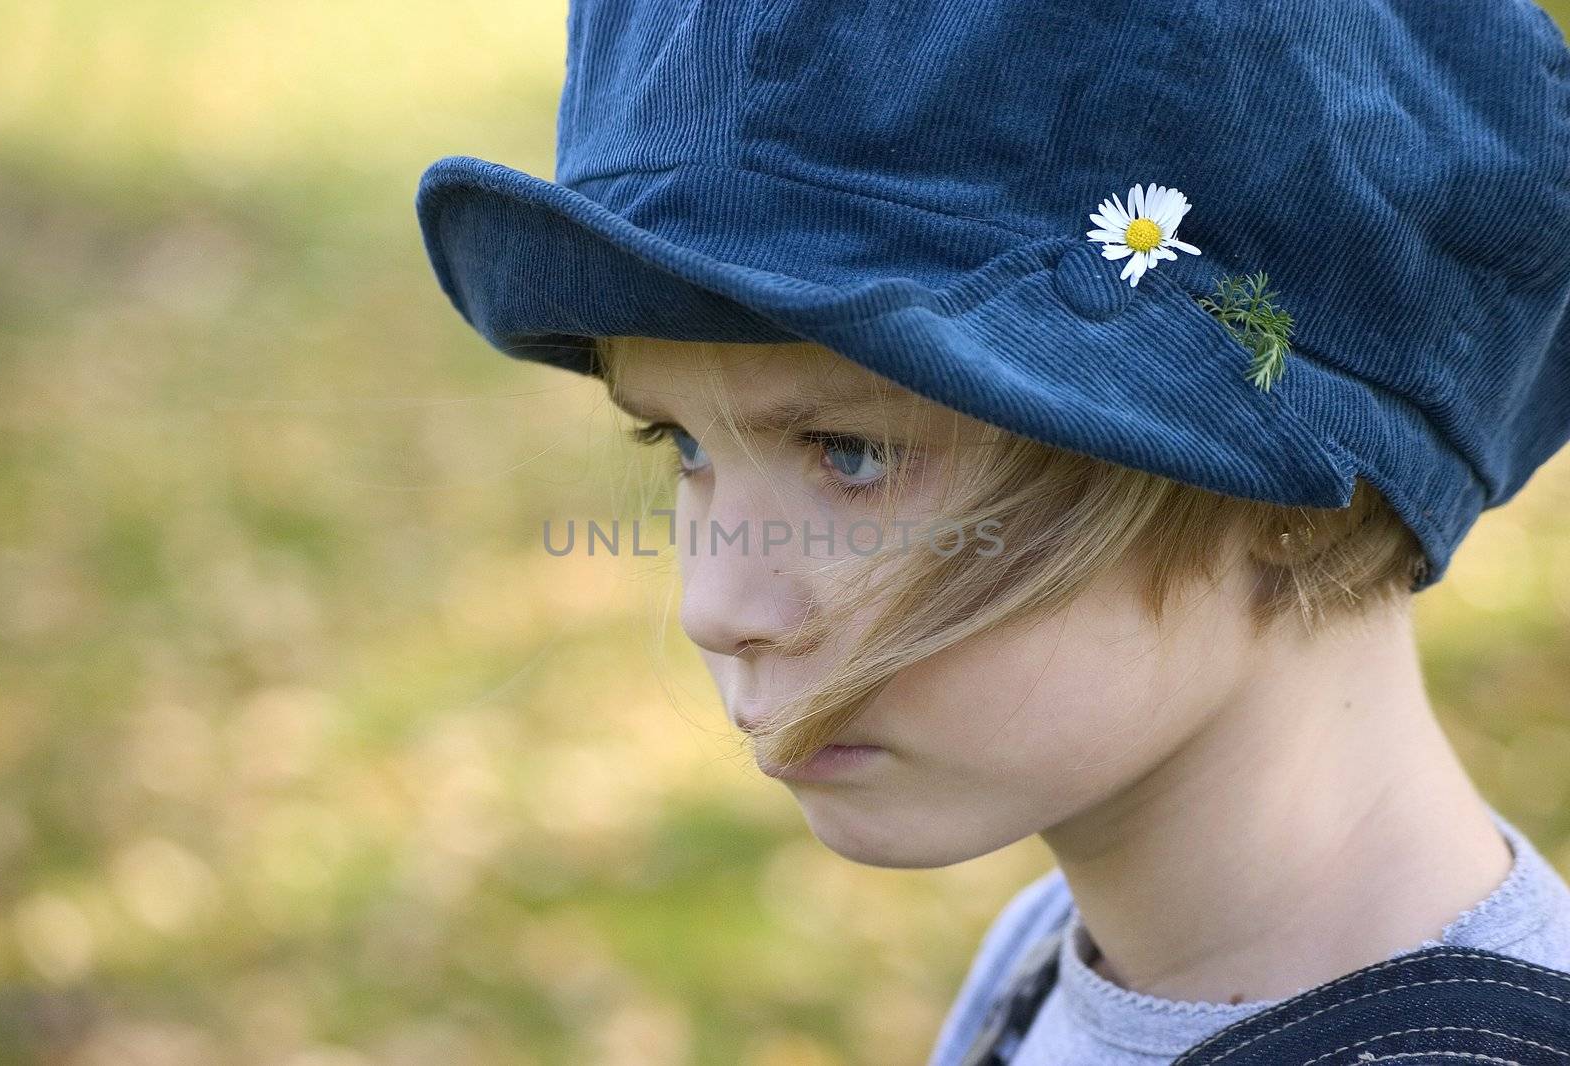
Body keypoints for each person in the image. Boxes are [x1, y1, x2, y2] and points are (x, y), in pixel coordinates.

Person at [414, 0, 1570, 1060]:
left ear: (1274, 484)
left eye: (852, 453)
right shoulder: (1054, 956)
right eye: (684, 444)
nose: (716, 607)